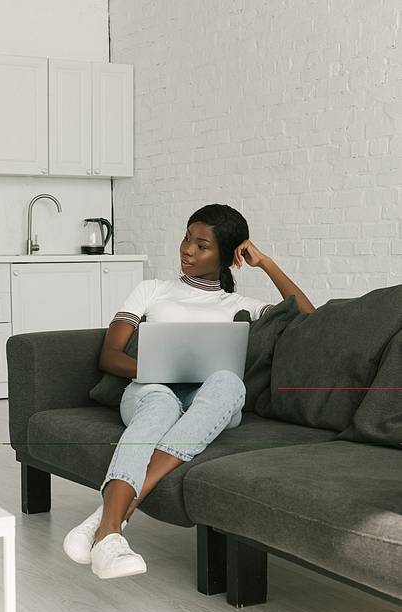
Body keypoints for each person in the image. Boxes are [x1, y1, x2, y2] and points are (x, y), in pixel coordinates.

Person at [63, 204, 314, 580]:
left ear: (228, 257)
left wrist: (266, 263)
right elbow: (109, 356)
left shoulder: (239, 306)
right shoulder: (151, 290)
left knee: (230, 382)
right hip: (150, 391)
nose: (187, 250)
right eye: (186, 238)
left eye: (202, 246)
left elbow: (310, 317)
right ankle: (111, 533)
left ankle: (105, 520)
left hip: (207, 405)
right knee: (162, 403)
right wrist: (160, 370)